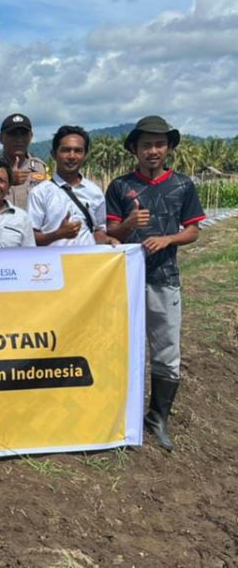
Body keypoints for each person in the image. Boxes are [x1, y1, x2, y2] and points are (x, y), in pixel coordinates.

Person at [105, 116, 205, 451]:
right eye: (146, 144)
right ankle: (121, 417)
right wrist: (129, 224)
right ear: (134, 148)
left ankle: (157, 418)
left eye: (159, 144)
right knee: (121, 349)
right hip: (125, 282)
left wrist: (168, 239)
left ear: (169, 148)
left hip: (164, 279)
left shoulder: (182, 185)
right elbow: (110, 234)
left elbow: (193, 230)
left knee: (166, 352)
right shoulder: (119, 186)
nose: (153, 150)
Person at [28, 126, 113, 246]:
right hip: (52, 262)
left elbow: (98, 231)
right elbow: (31, 238)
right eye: (65, 150)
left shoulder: (95, 192)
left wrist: (108, 240)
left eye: (78, 151)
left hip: (87, 262)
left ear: (85, 155)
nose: (72, 156)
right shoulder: (40, 193)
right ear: (54, 154)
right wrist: (58, 234)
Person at [0, 113, 49, 209]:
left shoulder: (41, 168)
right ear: (0, 138)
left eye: (24, 134)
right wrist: (8, 181)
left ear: (31, 137)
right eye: (13, 134)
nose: (19, 139)